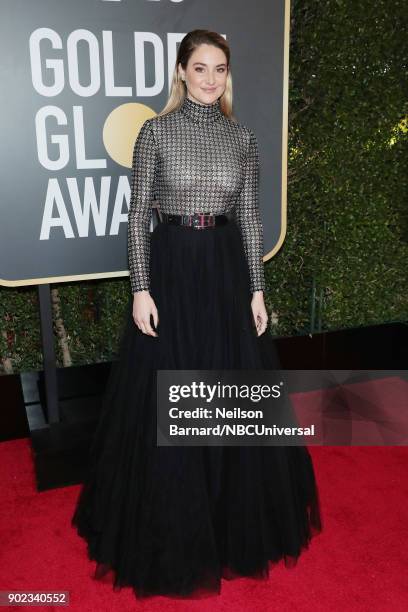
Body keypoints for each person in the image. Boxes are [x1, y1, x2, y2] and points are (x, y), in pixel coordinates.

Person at [71, 29, 322, 600]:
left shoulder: (242, 138)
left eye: (219, 68)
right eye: (200, 67)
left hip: (227, 271)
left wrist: (257, 290)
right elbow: (138, 217)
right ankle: (174, 524)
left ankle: (228, 516)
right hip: (173, 270)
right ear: (181, 71)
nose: (210, 78)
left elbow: (252, 221)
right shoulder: (155, 133)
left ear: (226, 74)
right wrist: (141, 287)